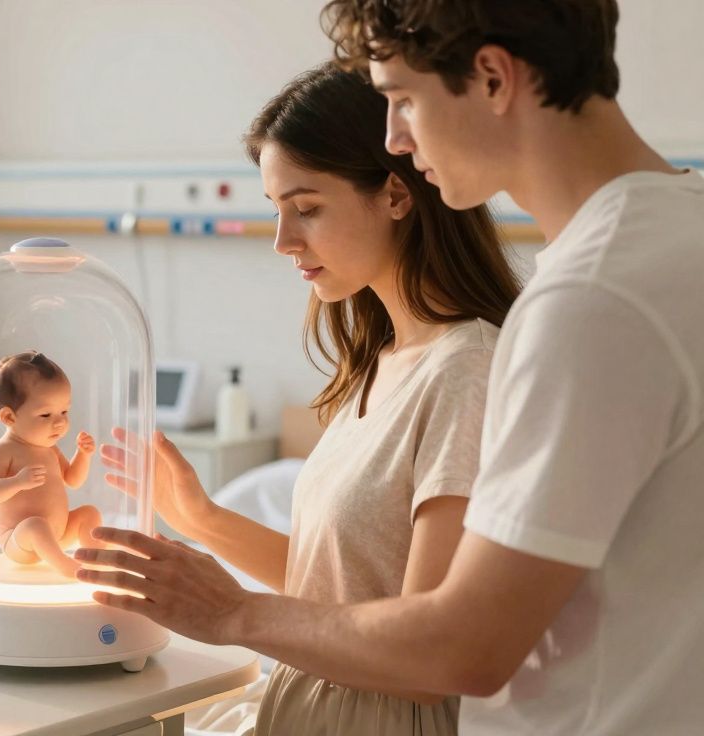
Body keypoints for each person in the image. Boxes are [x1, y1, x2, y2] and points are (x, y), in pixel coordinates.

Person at [79, 2, 704, 734]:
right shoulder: (668, 236)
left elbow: (460, 646)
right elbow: (366, 582)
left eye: (403, 100)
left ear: (494, 77)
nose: (395, 136)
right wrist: (204, 522)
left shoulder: (587, 301)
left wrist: (234, 612)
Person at [91, 62, 519, 734]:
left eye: (308, 208)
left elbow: (428, 652)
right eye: (277, 211)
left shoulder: (466, 371)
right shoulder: (380, 364)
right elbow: (340, 587)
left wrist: (234, 612)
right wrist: (200, 517)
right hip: (313, 703)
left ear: (396, 195)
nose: (283, 241)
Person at [0, 351, 101, 578]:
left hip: (58, 534)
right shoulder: (3, 451)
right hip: (20, 541)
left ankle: (94, 560)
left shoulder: (50, 449)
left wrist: (83, 455)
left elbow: (73, 480)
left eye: (64, 411)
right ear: (9, 417)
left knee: (89, 513)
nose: (60, 422)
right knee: (35, 525)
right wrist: (17, 482)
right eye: (46, 415)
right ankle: (66, 566)